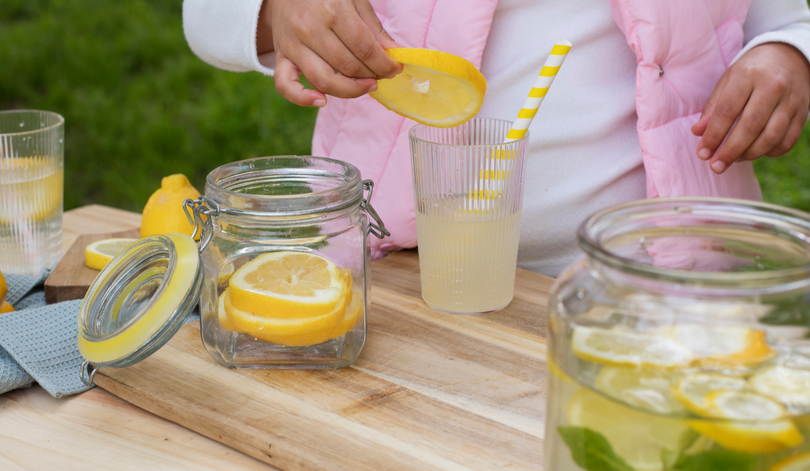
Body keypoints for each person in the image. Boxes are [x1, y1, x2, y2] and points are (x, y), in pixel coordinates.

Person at [183, 0, 810, 277]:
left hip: (654, 270)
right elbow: (206, 14)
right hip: (410, 266)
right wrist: (278, 9)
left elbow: (786, 13)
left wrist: (787, 52)